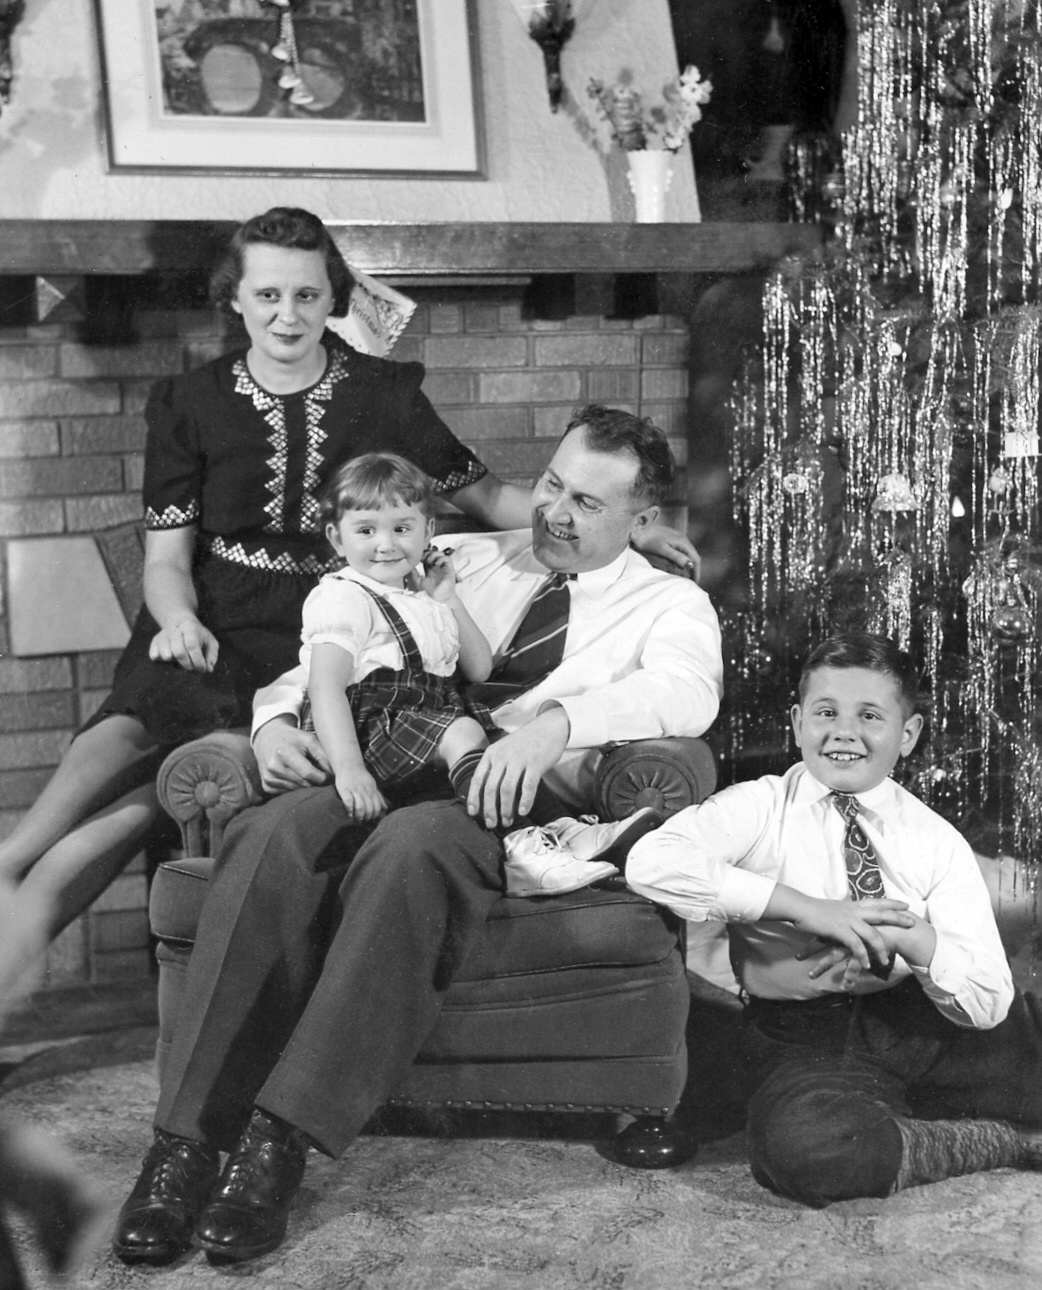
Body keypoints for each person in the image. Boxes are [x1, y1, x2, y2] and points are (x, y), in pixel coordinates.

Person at [111, 404, 724, 1267]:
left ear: (642, 518)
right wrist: (272, 724)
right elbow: (331, 647)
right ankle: (182, 1147)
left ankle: (275, 1145)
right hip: (378, 756)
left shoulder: (669, 603)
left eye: (587, 503)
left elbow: (687, 693)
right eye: (552, 484)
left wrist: (555, 724)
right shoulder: (459, 555)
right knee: (270, 831)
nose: (554, 512)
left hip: (495, 796)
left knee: (410, 851)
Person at [0, 207, 699, 941]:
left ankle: (13, 926)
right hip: (209, 615)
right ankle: (11, 859)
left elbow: (489, 496)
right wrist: (178, 618)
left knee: (147, 797)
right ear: (234, 297)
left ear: (334, 296)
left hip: (320, 618)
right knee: (122, 731)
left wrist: (630, 526)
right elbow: (166, 559)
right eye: (267, 295)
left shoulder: (382, 392)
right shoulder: (189, 401)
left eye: (307, 294)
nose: (288, 315)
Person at [626, 630, 1042, 1209]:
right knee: (812, 1150)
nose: (844, 731)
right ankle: (996, 1141)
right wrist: (807, 909)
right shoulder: (758, 806)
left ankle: (903, 1111)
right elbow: (652, 862)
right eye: (826, 712)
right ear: (798, 724)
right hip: (805, 1037)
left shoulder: (934, 839)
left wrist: (915, 937)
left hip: (920, 1020)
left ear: (908, 734)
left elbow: (988, 999)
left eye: (869, 715)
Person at [302, 451, 659, 892]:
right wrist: (349, 769)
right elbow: (325, 688)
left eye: (402, 529)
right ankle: (521, 850)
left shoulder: (420, 595)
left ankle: (564, 830)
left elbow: (478, 667)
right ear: (337, 539)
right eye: (365, 531)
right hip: (364, 729)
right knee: (465, 733)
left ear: (428, 531)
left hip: (418, 718)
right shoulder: (342, 597)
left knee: (500, 743)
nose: (386, 544)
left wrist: (447, 598)